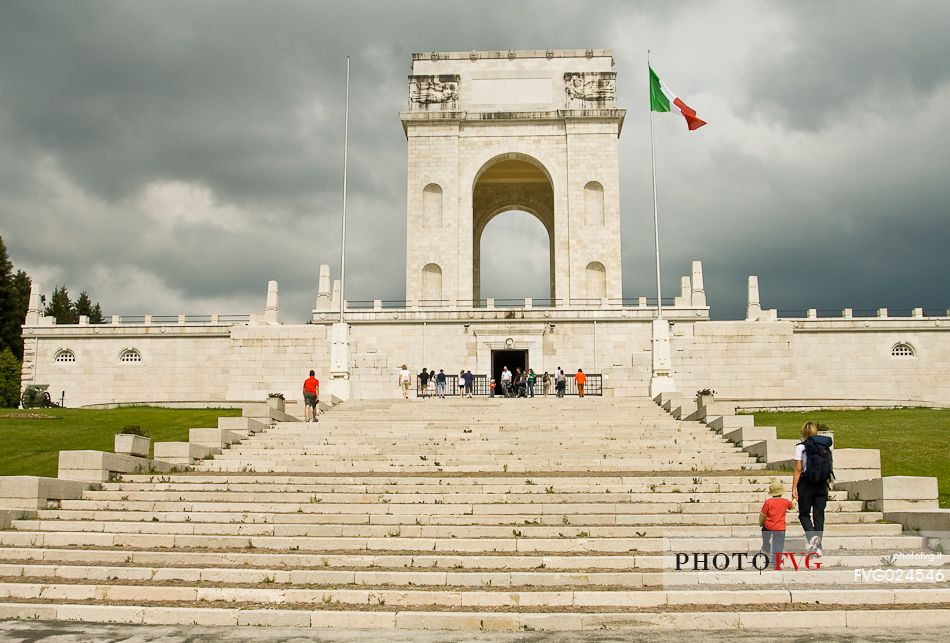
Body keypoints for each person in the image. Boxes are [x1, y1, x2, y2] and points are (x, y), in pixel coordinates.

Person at [792, 421, 834, 557]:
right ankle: (818, 547)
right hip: (822, 484)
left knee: (804, 514)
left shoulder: (800, 447)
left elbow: (798, 469)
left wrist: (793, 488)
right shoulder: (825, 447)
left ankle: (812, 538)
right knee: (819, 516)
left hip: (806, 483)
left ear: (803, 433)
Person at [759, 480, 794, 569]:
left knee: (765, 533)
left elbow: (762, 515)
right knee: (778, 545)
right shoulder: (785, 502)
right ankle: (777, 563)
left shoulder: (768, 502)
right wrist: (794, 500)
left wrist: (761, 523)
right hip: (780, 528)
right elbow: (792, 506)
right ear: (781, 492)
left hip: (769, 526)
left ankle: (766, 546)